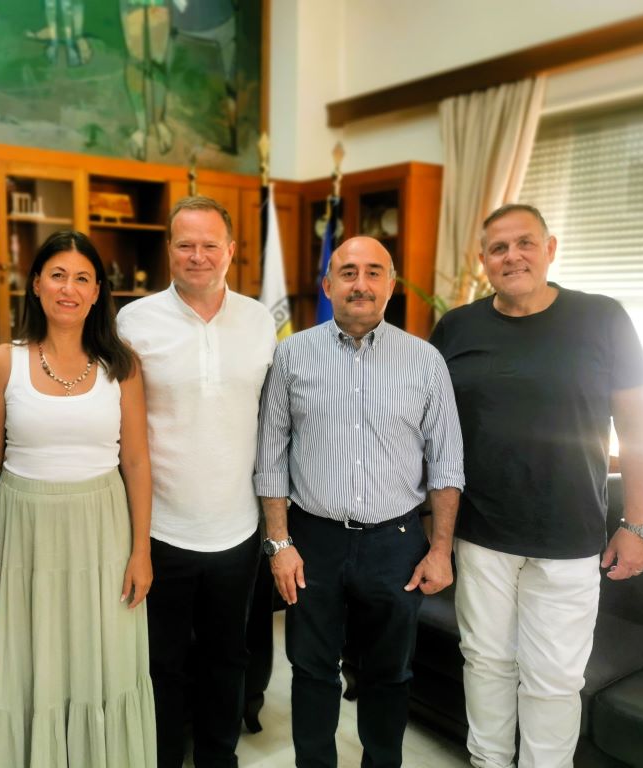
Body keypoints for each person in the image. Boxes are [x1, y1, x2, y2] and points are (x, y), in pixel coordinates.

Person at [429, 203, 643, 768]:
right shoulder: (456, 327)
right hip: (481, 534)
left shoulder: (602, 317)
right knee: (485, 662)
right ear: (483, 260)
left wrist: (638, 525)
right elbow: (430, 428)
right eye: (499, 248)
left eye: (525, 243)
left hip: (569, 538)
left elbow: (637, 428)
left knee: (554, 679)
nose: (513, 257)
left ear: (550, 248)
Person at [254, 236, 465, 768]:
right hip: (313, 542)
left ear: (391, 286)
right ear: (328, 286)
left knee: (389, 674)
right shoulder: (291, 354)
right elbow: (270, 456)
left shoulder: (425, 361)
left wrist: (441, 550)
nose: (361, 284)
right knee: (311, 670)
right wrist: (279, 543)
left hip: (395, 543)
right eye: (348, 272)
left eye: (374, 272)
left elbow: (447, 463)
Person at [0, 230, 155, 767]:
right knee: (32, 663)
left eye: (81, 278)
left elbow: (136, 462)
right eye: (57, 275)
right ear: (36, 284)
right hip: (21, 535)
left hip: (103, 532)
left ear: (97, 292)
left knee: (105, 663)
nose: (68, 288)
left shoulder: (123, 365)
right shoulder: (1, 362)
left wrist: (141, 550)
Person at [116, 196, 276, 767]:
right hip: (160, 528)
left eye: (210, 244)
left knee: (227, 658)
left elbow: (273, 419)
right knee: (161, 663)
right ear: (169, 250)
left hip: (237, 528)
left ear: (231, 251)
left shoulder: (260, 321)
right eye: (186, 244)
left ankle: (217, 758)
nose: (198, 255)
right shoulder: (132, 322)